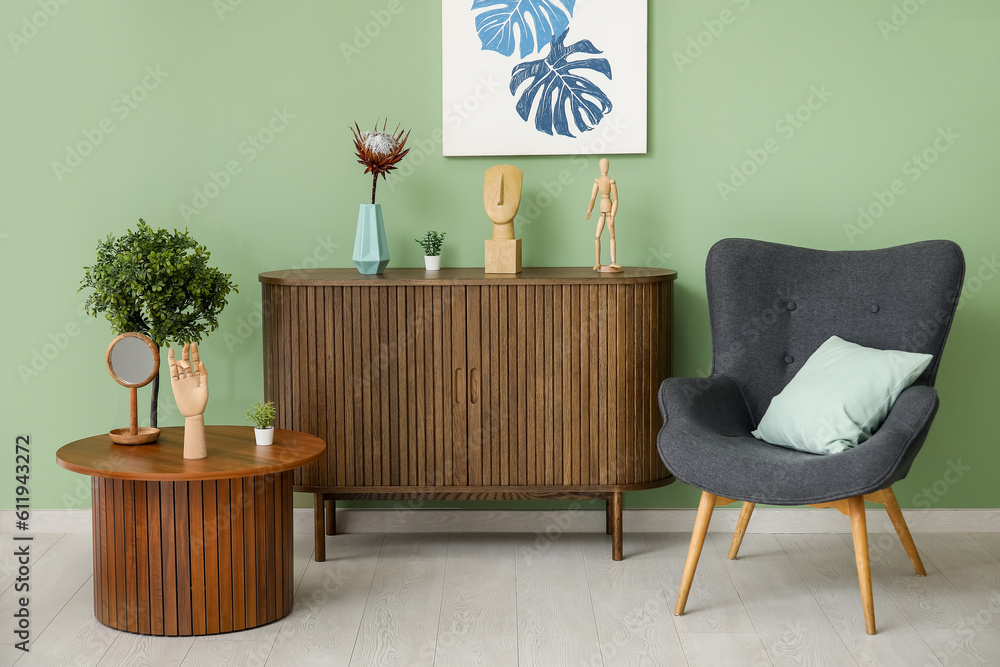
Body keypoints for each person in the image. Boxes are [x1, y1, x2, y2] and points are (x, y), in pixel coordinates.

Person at [586, 158, 621, 272]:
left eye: (605, 165)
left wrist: (612, 215)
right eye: (602, 165)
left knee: (612, 236)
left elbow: (616, 199)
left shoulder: (611, 181)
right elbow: (593, 197)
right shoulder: (597, 181)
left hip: (609, 211)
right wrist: (589, 210)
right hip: (602, 212)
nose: (603, 167)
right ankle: (597, 262)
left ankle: (613, 262)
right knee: (597, 236)